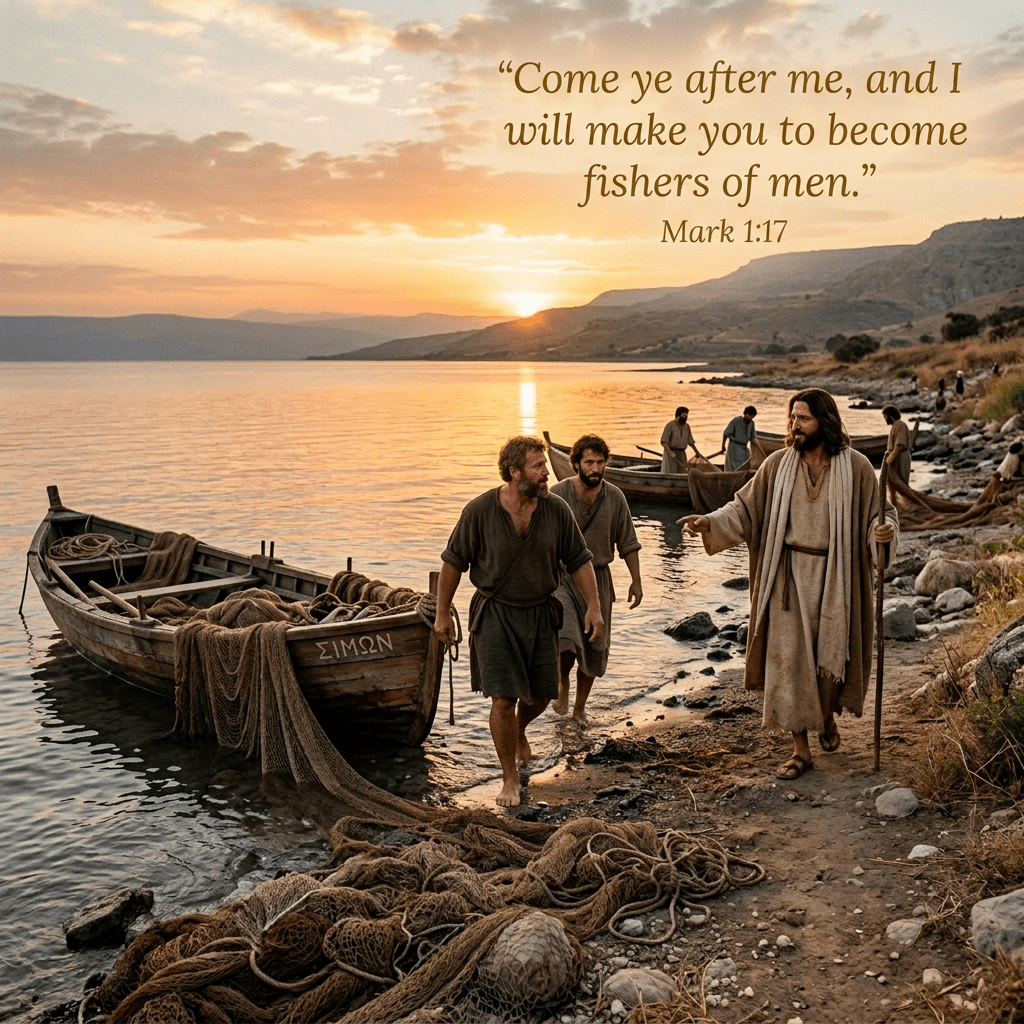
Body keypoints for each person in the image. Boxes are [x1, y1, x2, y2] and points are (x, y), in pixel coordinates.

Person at [678, 389, 897, 781]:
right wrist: (710, 522)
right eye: (792, 418)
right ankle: (801, 749)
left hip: (837, 578)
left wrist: (883, 532)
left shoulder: (859, 468)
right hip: (787, 578)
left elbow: (881, 513)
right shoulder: (777, 465)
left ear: (825, 423)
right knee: (790, 664)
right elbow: (744, 508)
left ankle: (826, 717)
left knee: (830, 658)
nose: (795, 426)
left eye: (804, 419)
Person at [434, 435, 603, 807]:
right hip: (495, 614)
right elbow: (453, 562)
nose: (546, 473)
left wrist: (594, 607)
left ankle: (519, 730)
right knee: (503, 699)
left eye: (544, 466)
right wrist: (442, 613)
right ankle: (510, 779)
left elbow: (579, 559)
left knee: (544, 694)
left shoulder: (556, 510)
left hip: (541, 612)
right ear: (514, 473)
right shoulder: (478, 511)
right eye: (537, 467)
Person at [550, 434, 643, 725]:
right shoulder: (558, 494)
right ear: (576, 463)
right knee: (566, 638)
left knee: (593, 648)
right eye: (589, 462)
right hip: (563, 579)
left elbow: (628, 541)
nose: (595, 468)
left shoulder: (615, 497)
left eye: (600, 462)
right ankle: (561, 682)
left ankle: (579, 710)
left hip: (600, 579)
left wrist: (636, 581)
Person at [882, 405, 912, 500]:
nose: (885, 419)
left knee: (901, 482)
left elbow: (900, 445)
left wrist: (890, 458)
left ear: (890, 416)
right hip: (896, 457)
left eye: (885, 416)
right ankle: (894, 504)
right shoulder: (895, 426)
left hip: (901, 457)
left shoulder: (900, 425)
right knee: (892, 483)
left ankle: (903, 504)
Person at [661, 407, 703, 473]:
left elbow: (691, 442)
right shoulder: (670, 426)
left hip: (682, 453)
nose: (685, 418)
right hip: (671, 454)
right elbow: (664, 442)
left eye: (686, 416)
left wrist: (697, 452)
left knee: (682, 471)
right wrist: (670, 452)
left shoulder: (687, 426)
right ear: (678, 416)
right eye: (684, 415)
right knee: (671, 472)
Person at [722, 406, 758, 471]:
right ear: (745, 414)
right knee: (733, 468)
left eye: (752, 417)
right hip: (734, 448)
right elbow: (726, 433)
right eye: (749, 416)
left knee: (745, 466)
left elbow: (753, 438)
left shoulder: (751, 423)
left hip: (744, 449)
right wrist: (723, 446)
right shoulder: (736, 420)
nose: (750, 419)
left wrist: (760, 450)